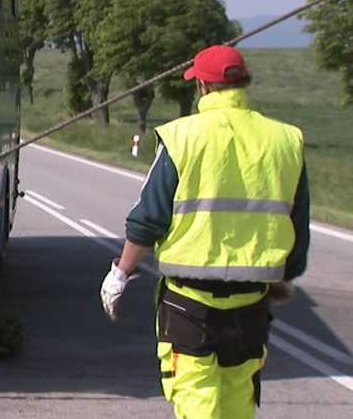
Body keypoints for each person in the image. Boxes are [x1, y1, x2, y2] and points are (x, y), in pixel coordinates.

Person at [100, 44, 311, 419]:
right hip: (251, 303)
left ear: (202, 86)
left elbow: (148, 218)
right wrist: (285, 274)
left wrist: (120, 273)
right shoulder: (286, 140)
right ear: (243, 84)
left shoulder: (182, 137)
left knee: (197, 399)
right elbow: (297, 222)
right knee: (238, 402)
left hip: (189, 303)